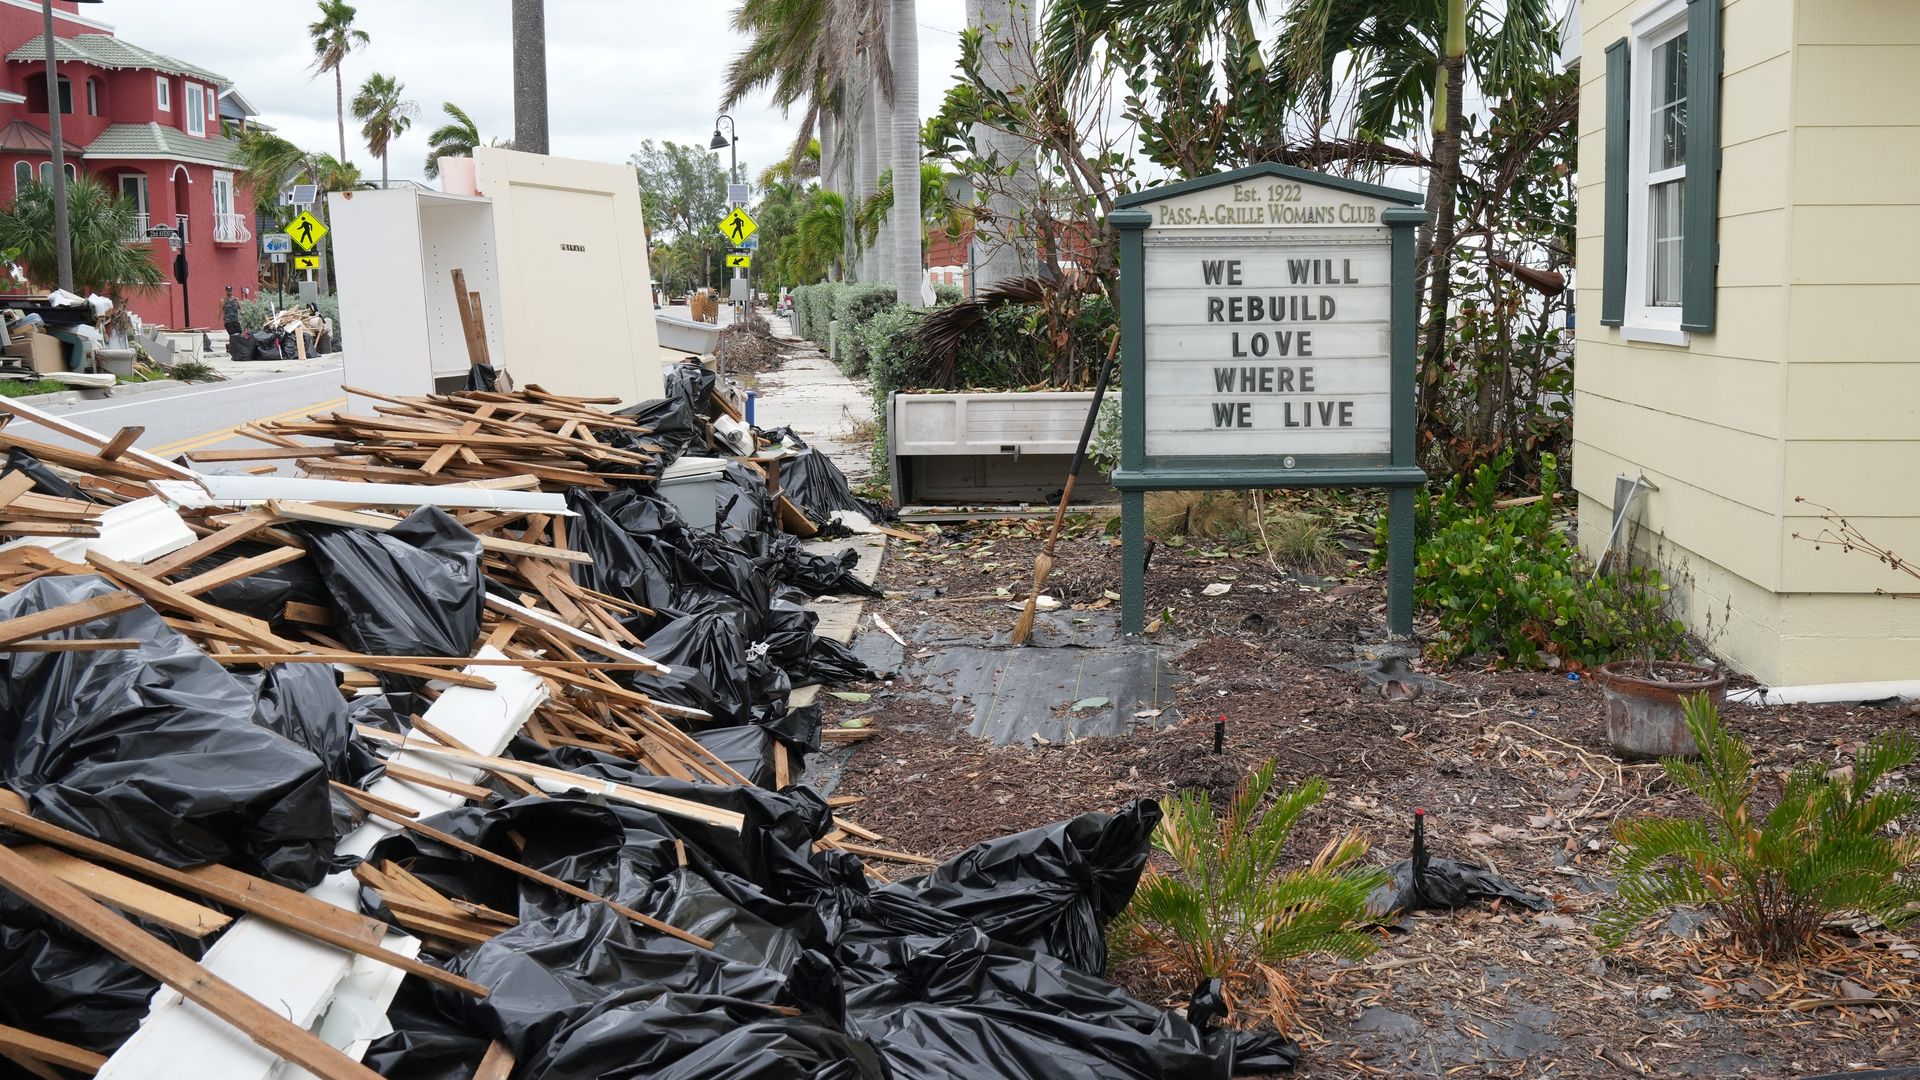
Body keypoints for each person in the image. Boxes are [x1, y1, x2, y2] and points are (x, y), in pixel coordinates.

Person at [222, 285, 244, 359]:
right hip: (228, 321)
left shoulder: (236, 300)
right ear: (226, 291)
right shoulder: (223, 301)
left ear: (232, 291)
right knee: (233, 336)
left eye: (230, 290)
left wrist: (242, 312)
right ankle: (233, 352)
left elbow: (241, 308)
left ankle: (230, 347)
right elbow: (219, 311)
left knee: (239, 335)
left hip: (235, 320)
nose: (229, 292)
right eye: (228, 290)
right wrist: (217, 321)